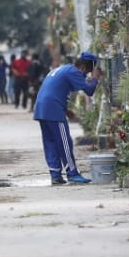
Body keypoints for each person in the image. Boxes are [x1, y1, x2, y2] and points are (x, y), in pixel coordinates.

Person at [34, 52, 101, 185]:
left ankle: (55, 175)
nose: (85, 75)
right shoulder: (73, 71)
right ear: (83, 67)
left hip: (42, 108)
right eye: (88, 71)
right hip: (53, 109)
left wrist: (66, 110)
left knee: (50, 142)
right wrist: (95, 78)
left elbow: (56, 89)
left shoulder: (64, 69)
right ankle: (72, 173)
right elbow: (89, 90)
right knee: (65, 142)